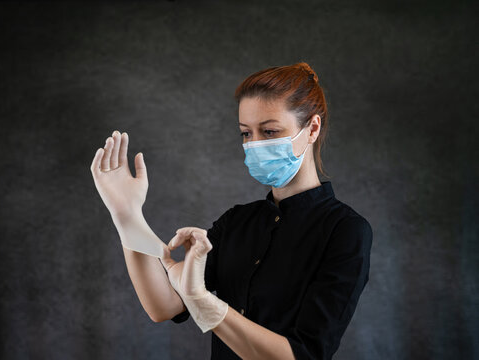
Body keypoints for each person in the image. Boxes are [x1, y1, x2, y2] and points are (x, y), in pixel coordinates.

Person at [90, 62, 373, 360]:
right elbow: (164, 305)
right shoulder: (237, 222)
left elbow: (304, 355)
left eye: (270, 131)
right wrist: (127, 217)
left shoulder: (345, 230)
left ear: (312, 128)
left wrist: (204, 302)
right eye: (246, 134)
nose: (255, 145)